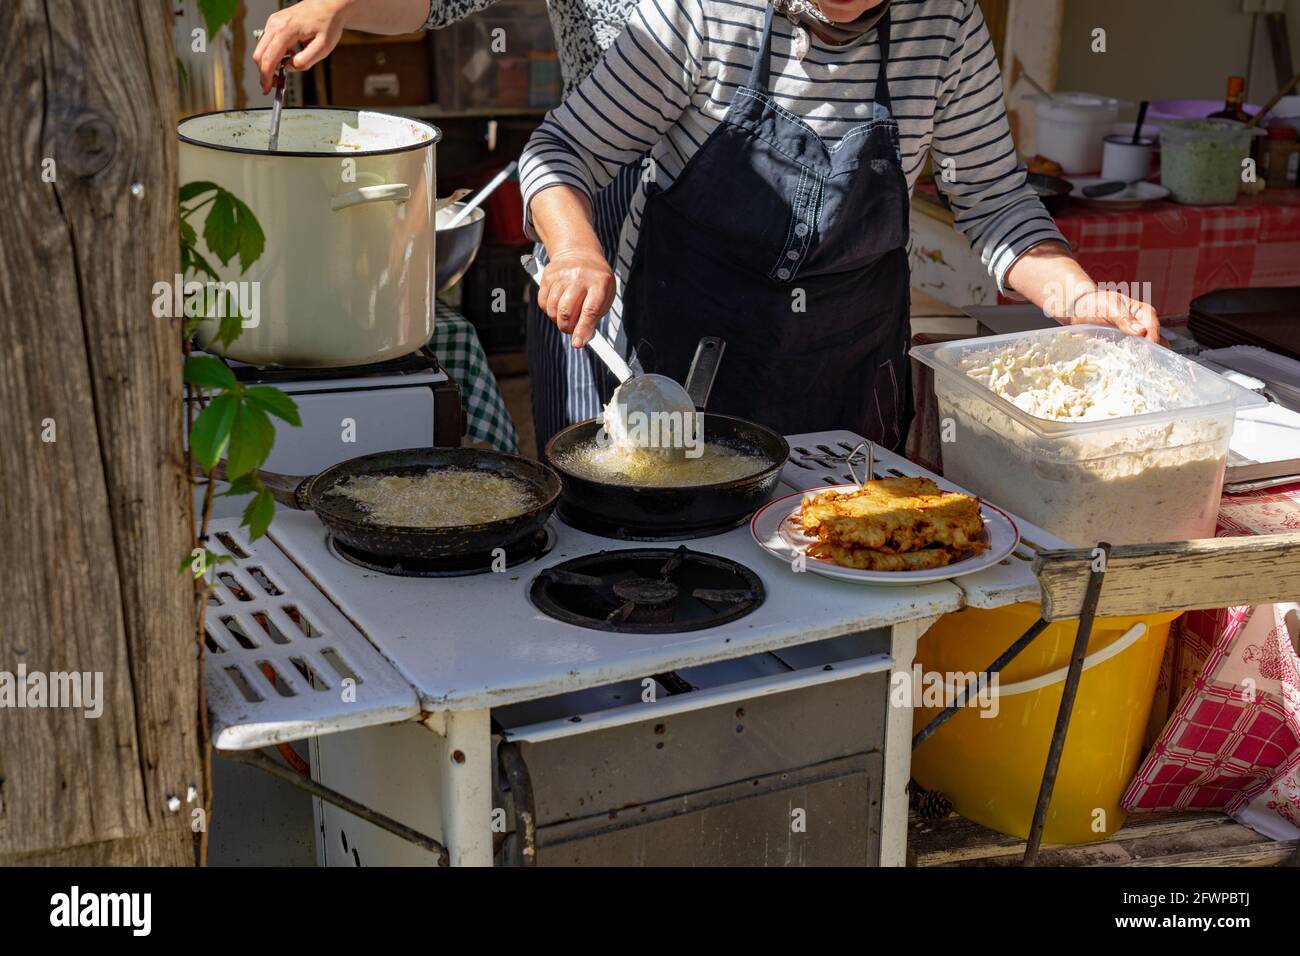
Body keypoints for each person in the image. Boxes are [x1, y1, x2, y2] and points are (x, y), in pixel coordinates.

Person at [522, 0, 1161, 451]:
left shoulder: (945, 22)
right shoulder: (708, 10)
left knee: (850, 582)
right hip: (683, 375)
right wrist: (576, 249)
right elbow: (562, 151)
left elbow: (993, 196)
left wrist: (1076, 295)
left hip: (851, 384)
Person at [251, 0, 641, 450]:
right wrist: (335, 8)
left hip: (708, 203)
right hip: (586, 184)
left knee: (710, 431)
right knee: (587, 444)